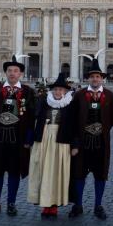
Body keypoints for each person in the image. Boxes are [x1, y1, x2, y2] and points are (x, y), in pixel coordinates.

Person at [0, 55, 36, 217]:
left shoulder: (28, 92)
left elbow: (31, 117)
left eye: (16, 71)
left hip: (18, 138)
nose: (12, 73)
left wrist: (28, 138)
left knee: (14, 171)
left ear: (21, 74)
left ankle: (11, 202)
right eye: (10, 70)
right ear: (5, 73)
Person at [69, 51, 113, 220]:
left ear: (102, 78)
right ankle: (78, 204)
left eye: (98, 77)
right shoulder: (79, 95)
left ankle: (98, 205)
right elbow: (73, 119)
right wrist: (74, 143)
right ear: (88, 79)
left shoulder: (110, 96)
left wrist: (101, 129)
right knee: (79, 174)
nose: (95, 79)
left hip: (101, 142)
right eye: (92, 77)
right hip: (82, 143)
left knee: (100, 175)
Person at [28, 73, 74, 218]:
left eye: (61, 90)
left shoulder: (69, 104)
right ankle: (44, 204)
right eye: (55, 89)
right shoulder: (43, 101)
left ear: (65, 91)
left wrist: (75, 145)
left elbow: (74, 126)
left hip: (61, 141)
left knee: (57, 172)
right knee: (42, 171)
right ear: (52, 90)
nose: (58, 92)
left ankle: (54, 205)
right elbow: (34, 118)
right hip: (44, 138)